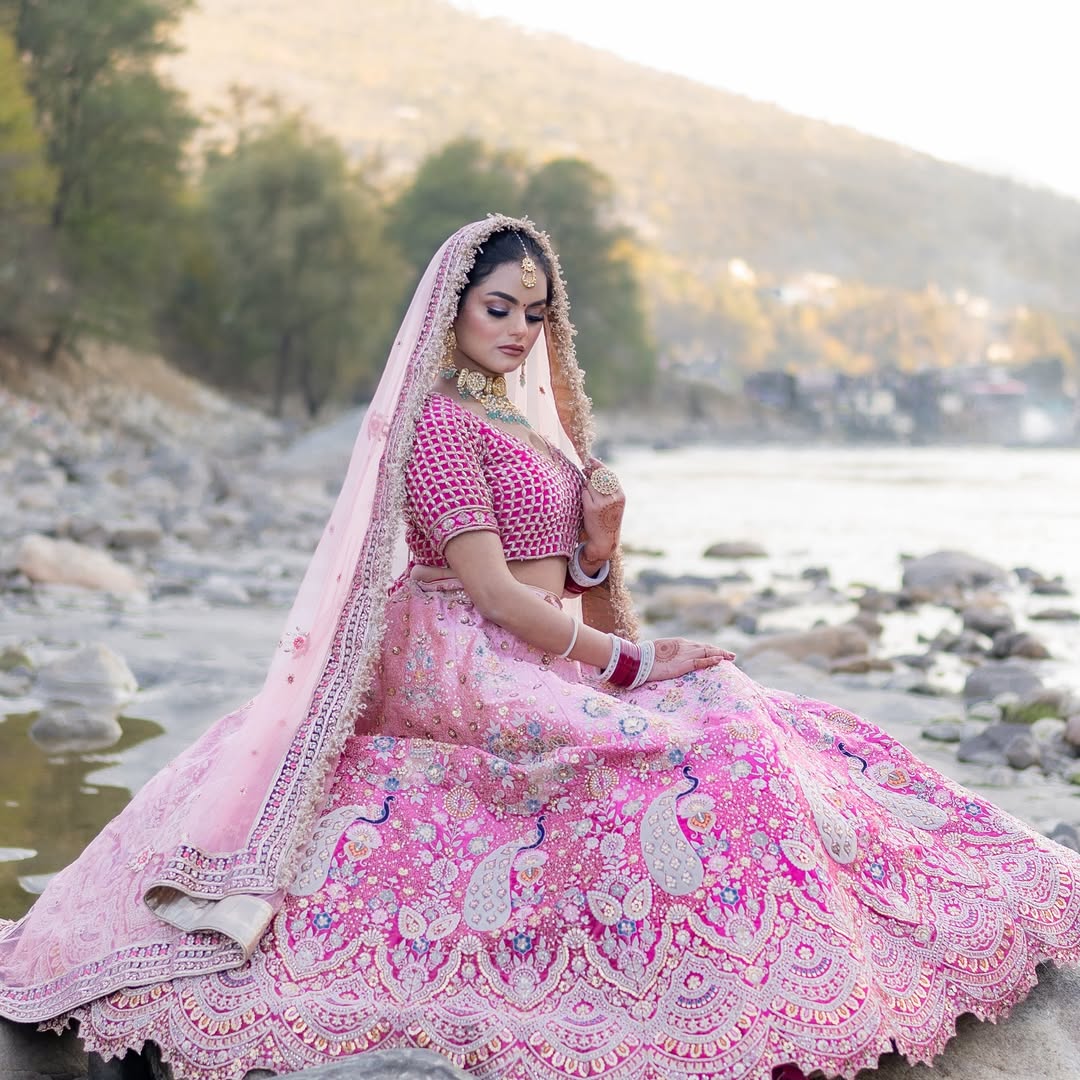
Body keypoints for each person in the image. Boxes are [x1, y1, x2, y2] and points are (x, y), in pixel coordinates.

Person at [2, 215, 1079, 1080]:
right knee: (683, 749)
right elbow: (486, 591)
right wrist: (628, 668)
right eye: (499, 308)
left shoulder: (527, 425)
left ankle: (900, 930)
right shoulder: (440, 423)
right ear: (452, 310)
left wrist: (601, 557)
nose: (520, 330)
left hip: (544, 642)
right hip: (467, 655)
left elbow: (568, 587)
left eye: (535, 313)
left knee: (749, 710)